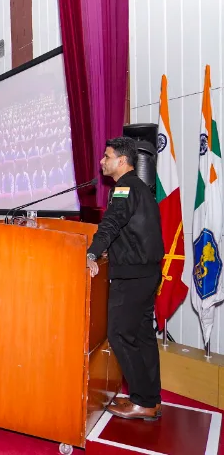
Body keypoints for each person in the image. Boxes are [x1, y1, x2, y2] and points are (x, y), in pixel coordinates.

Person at [85, 137, 164, 421]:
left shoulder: (125, 186)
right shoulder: (139, 187)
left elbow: (112, 222)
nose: (102, 161)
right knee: (142, 337)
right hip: (146, 273)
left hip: (132, 276)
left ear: (121, 161)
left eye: (107, 156)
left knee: (119, 334)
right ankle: (149, 399)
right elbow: (128, 229)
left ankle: (143, 399)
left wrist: (92, 253)